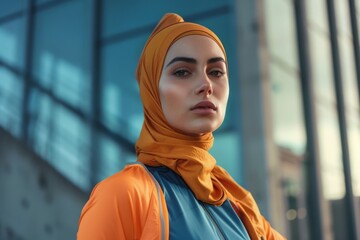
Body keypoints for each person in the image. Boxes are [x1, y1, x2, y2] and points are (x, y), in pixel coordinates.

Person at [77, 13, 286, 240]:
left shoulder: (238, 202)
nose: (206, 85)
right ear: (152, 91)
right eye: (182, 72)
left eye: (216, 72)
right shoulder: (124, 194)